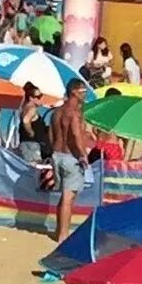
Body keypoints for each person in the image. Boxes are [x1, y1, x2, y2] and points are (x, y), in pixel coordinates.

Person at [50, 80, 91, 241]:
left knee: (63, 197)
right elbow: (75, 135)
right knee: (68, 198)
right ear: (74, 91)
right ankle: (63, 235)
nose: (85, 94)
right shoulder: (74, 112)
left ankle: (59, 231)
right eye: (83, 91)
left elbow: (51, 134)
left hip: (57, 155)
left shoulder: (57, 111)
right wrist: (82, 155)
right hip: (70, 157)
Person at [17, 83, 48, 165]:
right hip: (32, 144)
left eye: (41, 96)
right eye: (38, 97)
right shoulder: (32, 108)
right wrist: (31, 132)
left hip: (25, 142)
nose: (40, 99)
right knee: (34, 168)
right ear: (31, 98)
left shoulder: (24, 107)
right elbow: (25, 120)